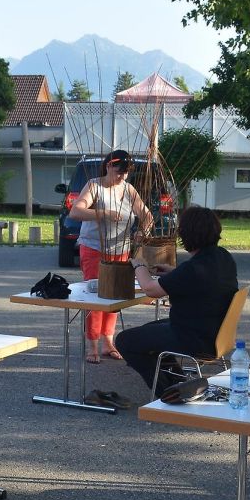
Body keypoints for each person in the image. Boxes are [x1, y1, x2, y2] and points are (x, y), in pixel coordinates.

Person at [117, 206, 238, 395]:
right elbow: (203, 278)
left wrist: (139, 265)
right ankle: (178, 383)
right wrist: (173, 273)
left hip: (195, 338)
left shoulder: (192, 269)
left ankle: (168, 393)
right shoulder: (223, 256)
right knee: (148, 330)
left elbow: (150, 289)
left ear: (187, 235)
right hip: (215, 331)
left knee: (125, 341)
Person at [68, 149, 153, 363]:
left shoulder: (129, 189)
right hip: (94, 248)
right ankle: (92, 344)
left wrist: (142, 232)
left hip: (121, 249)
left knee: (116, 296)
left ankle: (108, 342)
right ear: (108, 166)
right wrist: (103, 213)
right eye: (119, 171)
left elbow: (147, 216)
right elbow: (75, 212)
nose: (122, 176)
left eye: (126, 172)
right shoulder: (94, 186)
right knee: (96, 296)